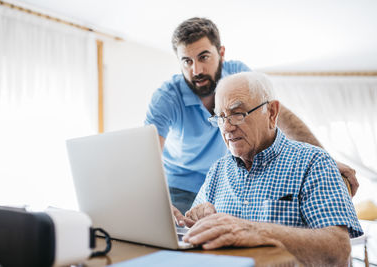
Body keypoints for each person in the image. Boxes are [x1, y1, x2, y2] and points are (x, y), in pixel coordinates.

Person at [145, 17, 358, 214]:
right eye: (187, 61)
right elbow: (148, 154)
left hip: (226, 181)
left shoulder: (238, 76)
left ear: (221, 53)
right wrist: (158, 203)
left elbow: (278, 116)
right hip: (179, 186)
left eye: (204, 57)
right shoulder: (166, 97)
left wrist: (325, 161)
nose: (196, 70)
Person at [182, 72, 363, 266]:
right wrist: (198, 218)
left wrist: (256, 231)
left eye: (237, 114)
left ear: (271, 113)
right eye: (220, 117)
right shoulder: (217, 170)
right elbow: (193, 226)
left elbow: (338, 250)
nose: (226, 127)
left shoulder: (314, 162)